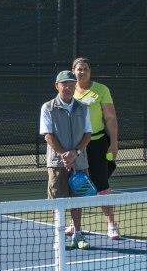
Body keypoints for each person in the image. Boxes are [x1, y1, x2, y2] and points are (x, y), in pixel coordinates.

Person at [40, 70, 93, 250]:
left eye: (72, 83)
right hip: (56, 163)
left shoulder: (83, 107)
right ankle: (59, 236)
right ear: (57, 86)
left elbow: (88, 134)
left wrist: (75, 153)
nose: (69, 87)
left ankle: (78, 235)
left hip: (79, 161)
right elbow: (48, 135)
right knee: (58, 201)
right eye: (65, 84)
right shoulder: (48, 107)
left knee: (77, 200)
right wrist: (64, 154)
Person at [73, 57, 121, 240]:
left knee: (102, 185)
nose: (82, 72)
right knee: (76, 185)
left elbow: (110, 118)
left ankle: (111, 224)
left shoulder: (101, 90)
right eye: (79, 69)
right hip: (75, 145)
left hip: (97, 143)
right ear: (74, 71)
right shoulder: (69, 89)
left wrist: (114, 142)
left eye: (85, 69)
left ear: (90, 71)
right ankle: (75, 224)